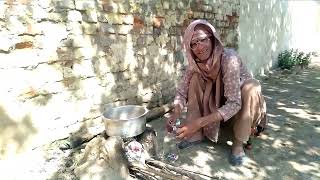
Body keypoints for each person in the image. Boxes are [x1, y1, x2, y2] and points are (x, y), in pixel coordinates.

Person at [166, 19, 267, 166]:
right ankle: (196, 134)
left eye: (202, 40)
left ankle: (239, 143)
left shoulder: (229, 59)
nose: (199, 47)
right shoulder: (196, 65)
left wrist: (198, 123)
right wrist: (175, 113)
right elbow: (182, 92)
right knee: (195, 78)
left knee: (250, 88)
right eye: (193, 44)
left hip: (241, 110)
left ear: (213, 39)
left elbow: (234, 103)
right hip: (218, 109)